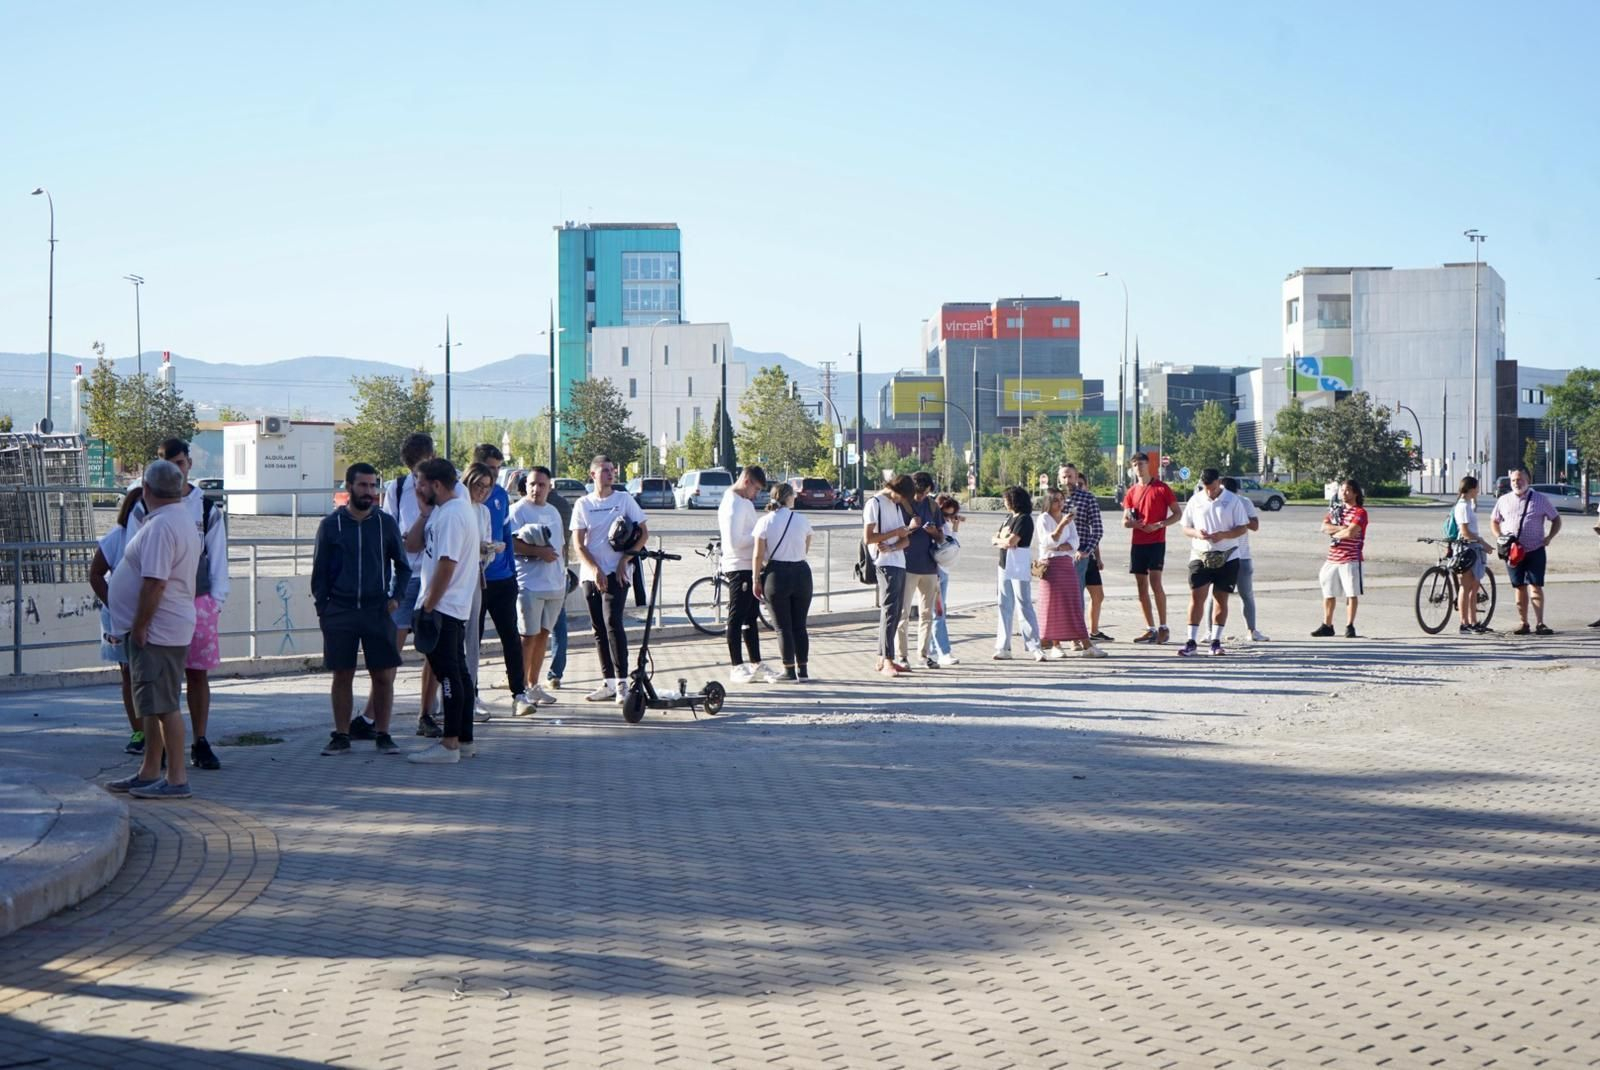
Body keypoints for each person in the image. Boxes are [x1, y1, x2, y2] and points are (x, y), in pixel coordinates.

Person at [125, 438, 229, 771]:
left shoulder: (205, 508)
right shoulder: (141, 508)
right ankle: (155, 751)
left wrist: (215, 601)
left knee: (196, 675)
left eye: (181, 464)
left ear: (189, 465)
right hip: (155, 607)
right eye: (169, 466)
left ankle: (198, 742)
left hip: (196, 603)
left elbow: (217, 558)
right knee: (157, 683)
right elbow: (132, 555)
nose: (176, 471)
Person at [105, 460, 202, 799]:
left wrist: (141, 624)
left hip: (159, 630)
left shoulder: (162, 527)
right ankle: (149, 770)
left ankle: (176, 778)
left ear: (145, 490)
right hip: (163, 627)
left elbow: (155, 582)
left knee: (164, 705)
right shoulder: (177, 519)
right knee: (150, 702)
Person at [311, 462, 411, 755]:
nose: (369, 491)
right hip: (340, 611)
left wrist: (396, 598)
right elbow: (319, 574)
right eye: (363, 485)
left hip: (377, 610)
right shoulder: (331, 525)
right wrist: (324, 610)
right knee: (342, 673)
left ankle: (383, 733)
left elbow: (403, 567)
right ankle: (341, 735)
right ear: (349, 487)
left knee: (382, 675)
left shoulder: (385, 523)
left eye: (373, 485)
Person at [405, 458, 481, 764]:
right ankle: (464, 740)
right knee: (458, 673)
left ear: (436, 484)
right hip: (447, 605)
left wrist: (428, 606)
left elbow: (447, 564)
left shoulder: (452, 515)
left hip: (444, 607)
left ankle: (449, 744)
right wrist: (424, 514)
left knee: (448, 675)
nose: (417, 488)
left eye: (421, 483)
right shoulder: (442, 512)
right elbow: (412, 546)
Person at [370, 433, 446, 738]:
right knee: (392, 648)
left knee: (432, 648)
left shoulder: (444, 486)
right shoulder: (397, 487)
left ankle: (426, 713)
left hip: (433, 573)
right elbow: (391, 532)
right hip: (405, 577)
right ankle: (374, 714)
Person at [571, 455, 648, 702]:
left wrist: (625, 561)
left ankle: (623, 682)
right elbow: (578, 544)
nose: (610, 474)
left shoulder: (624, 500)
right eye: (604, 470)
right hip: (591, 574)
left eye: (612, 470)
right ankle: (609, 682)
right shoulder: (583, 503)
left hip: (618, 573)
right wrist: (594, 570)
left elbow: (643, 533)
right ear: (592, 474)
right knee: (598, 628)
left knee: (612, 621)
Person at [89, 485, 145, 755]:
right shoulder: (116, 537)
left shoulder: (160, 534)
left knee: (151, 674)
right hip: (119, 618)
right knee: (128, 674)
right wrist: (115, 604)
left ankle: (156, 732)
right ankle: (139, 732)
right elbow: (96, 574)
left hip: (151, 615)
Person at [472, 444, 525, 716]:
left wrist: (512, 570)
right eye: (490, 469)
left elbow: (506, 534)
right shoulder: (464, 500)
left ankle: (520, 693)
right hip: (476, 580)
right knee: (473, 640)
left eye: (497, 469)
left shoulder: (501, 496)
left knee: (511, 636)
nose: (493, 476)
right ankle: (472, 695)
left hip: (503, 578)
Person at [1177, 469, 1253, 657]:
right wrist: (1197, 533)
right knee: (1197, 597)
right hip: (1200, 554)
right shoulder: (1196, 500)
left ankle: (1216, 641)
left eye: (1212, 487)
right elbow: (1185, 527)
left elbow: (1243, 527)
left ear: (1219, 482)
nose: (1209, 492)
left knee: (1221, 598)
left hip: (1228, 555)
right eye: (1205, 488)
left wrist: (1224, 535)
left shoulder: (1232, 500)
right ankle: (1191, 641)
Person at [507, 467, 564, 710]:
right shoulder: (517, 511)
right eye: (532, 484)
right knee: (527, 637)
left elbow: (561, 545)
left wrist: (563, 575)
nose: (536, 489)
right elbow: (511, 543)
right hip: (529, 584)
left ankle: (534, 684)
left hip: (555, 584)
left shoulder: (553, 511)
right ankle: (519, 690)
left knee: (543, 635)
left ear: (549, 486)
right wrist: (538, 552)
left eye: (541, 484)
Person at [718, 465, 780, 684]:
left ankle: (756, 662)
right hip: (738, 566)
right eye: (756, 489)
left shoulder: (744, 502)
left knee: (750, 617)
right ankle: (736, 665)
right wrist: (760, 540)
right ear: (746, 481)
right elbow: (734, 542)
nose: (756, 495)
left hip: (749, 565)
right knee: (736, 616)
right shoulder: (733, 503)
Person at [752, 483, 814, 681]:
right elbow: (806, 547)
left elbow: (758, 554)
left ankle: (789, 669)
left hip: (776, 575)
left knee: (782, 627)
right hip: (802, 573)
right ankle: (803, 669)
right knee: (800, 625)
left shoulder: (765, 522)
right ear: (788, 498)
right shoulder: (802, 520)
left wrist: (756, 579)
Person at [1491, 466, 1562, 635]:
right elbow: (1494, 521)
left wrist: (1549, 537)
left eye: (1520, 479)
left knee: (1535, 585)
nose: (1517, 483)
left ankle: (1540, 623)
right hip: (1513, 551)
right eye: (1514, 480)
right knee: (1519, 586)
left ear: (1528, 481)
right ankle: (1523, 623)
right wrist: (1499, 537)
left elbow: (1556, 519)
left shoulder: (1540, 499)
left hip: (1535, 549)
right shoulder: (1503, 500)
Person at [1037, 489, 1103, 658]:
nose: (1059, 504)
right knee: (1054, 606)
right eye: (1055, 500)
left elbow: (1075, 542)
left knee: (1073, 604)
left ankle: (1086, 644)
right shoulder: (1044, 518)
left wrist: (1061, 545)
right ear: (1048, 502)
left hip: (1067, 564)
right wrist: (1061, 527)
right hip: (1050, 566)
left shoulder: (1068, 518)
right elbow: (1047, 542)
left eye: (1061, 500)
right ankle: (1055, 645)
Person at [1123, 454, 1181, 644]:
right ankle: (1150, 628)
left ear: (1148, 465)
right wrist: (1136, 524)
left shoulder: (1161, 488)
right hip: (1138, 543)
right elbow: (1125, 521)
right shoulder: (1131, 492)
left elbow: (1177, 514)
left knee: (1156, 583)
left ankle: (1164, 626)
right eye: (1134, 464)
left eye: (1141, 463)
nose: (1138, 467)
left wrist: (1159, 525)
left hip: (1156, 541)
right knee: (1141, 587)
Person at [461, 463, 501, 718]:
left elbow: (486, 552)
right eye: (479, 486)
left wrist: (488, 550)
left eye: (488, 487)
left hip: (475, 578)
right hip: (454, 580)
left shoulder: (484, 512)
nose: (483, 492)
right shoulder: (457, 507)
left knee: (472, 641)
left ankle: (470, 695)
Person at [864, 473, 914, 677]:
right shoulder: (875, 503)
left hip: (898, 560)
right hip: (884, 564)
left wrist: (897, 543)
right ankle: (887, 660)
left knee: (896, 611)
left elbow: (906, 540)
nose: (901, 501)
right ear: (894, 489)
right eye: (901, 496)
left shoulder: (894, 505)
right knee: (890, 611)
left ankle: (883, 657)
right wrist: (896, 534)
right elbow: (868, 538)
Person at [899, 472, 946, 668]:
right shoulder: (901, 505)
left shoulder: (933, 505)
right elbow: (893, 534)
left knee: (927, 614)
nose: (921, 497)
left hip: (929, 566)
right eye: (919, 493)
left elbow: (942, 537)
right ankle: (901, 656)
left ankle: (924, 654)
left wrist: (933, 532)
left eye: (925, 493)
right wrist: (910, 528)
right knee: (903, 613)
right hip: (906, 564)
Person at [993, 486, 1044, 662]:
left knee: (1024, 603)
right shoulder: (1009, 518)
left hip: (1018, 564)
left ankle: (1034, 645)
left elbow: (1012, 541)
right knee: (1004, 605)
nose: (1005, 502)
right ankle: (1003, 646)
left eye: (1007, 499)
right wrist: (1001, 540)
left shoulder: (1024, 519)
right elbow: (999, 538)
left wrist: (1000, 541)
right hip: (1004, 565)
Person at [1313, 478, 1368, 637]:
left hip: (1350, 558)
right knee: (1328, 592)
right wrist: (1340, 529)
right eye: (1342, 490)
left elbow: (1352, 533)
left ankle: (1350, 625)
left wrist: (1337, 532)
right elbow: (1324, 527)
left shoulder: (1360, 512)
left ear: (1355, 493)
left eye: (1348, 490)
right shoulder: (1337, 510)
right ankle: (1327, 624)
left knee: (1351, 593)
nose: (1344, 493)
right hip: (1332, 558)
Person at [1219, 477, 1268, 641]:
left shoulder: (1243, 502)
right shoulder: (1215, 502)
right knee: (1217, 595)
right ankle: (1210, 631)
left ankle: (1251, 630)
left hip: (1241, 555)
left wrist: (1240, 518)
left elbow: (1255, 525)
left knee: (1245, 594)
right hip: (1222, 554)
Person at [1452, 476, 1493, 634]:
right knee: (1467, 586)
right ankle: (1465, 622)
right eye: (1477, 488)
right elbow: (1465, 532)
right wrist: (1483, 543)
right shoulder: (1462, 506)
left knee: (1473, 587)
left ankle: (1473, 621)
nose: (1479, 491)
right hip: (1468, 548)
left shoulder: (1467, 504)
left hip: (1471, 547)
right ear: (1471, 489)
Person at [927, 494, 964, 667]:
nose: (948, 517)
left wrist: (954, 527)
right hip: (936, 570)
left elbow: (952, 544)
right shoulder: (936, 524)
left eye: (952, 514)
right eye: (946, 514)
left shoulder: (945, 524)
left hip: (944, 569)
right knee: (938, 612)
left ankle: (933, 651)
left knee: (939, 612)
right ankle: (942, 651)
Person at [1075, 473, 1110, 641]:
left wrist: (1098, 557)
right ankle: (1078, 632)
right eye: (1078, 483)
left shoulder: (1088, 501)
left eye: (1082, 484)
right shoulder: (1069, 503)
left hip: (1089, 555)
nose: (1079, 486)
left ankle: (1094, 631)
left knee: (1098, 595)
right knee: (1078, 596)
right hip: (1076, 555)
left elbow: (1094, 533)